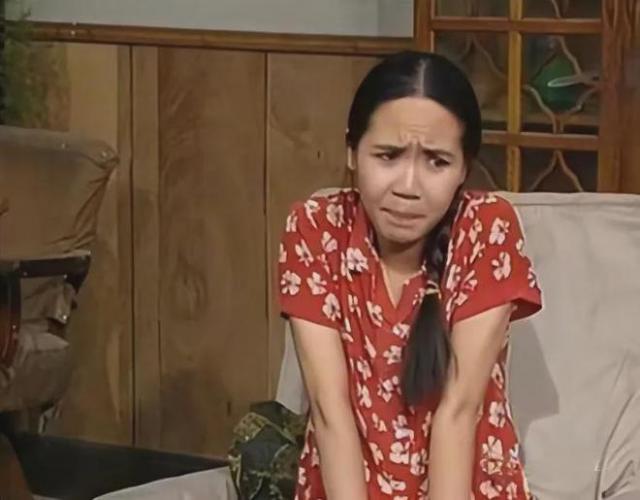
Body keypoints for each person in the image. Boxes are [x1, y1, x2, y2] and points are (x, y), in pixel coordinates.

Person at [277, 50, 542, 500]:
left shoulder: (487, 229)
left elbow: (458, 411)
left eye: (437, 161)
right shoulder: (314, 228)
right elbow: (329, 410)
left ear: (464, 169)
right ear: (352, 152)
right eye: (388, 156)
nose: (408, 187)